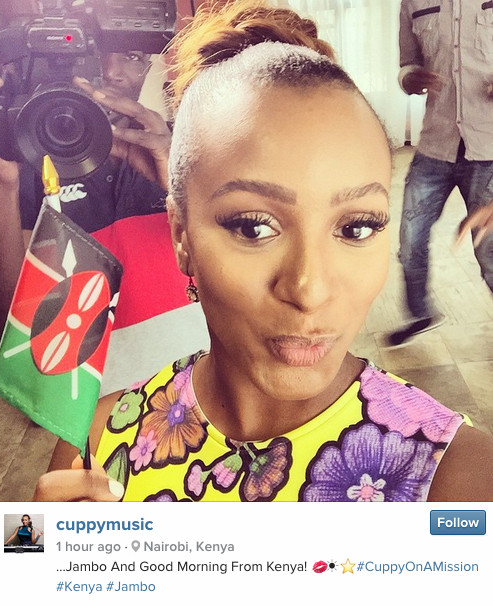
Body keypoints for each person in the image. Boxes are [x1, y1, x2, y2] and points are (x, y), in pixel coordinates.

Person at [33, 1, 493, 503]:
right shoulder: (95, 448)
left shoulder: (459, 480)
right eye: (254, 227)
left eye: (357, 227)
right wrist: (41, 549)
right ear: (181, 236)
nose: (309, 290)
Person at [0, 49, 209, 394]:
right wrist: (1, 191)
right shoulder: (27, 158)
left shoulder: (183, 146)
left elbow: (241, 276)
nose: (111, 71)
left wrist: (185, 190)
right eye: (92, 54)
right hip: (75, 397)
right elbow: (11, 328)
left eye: (132, 56)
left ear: (150, 63)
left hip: (190, 389)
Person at [387, 0, 493, 347]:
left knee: (489, 250)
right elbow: (407, 64)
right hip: (436, 144)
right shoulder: (413, 3)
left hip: (489, 148)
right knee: (410, 238)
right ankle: (420, 313)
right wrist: (410, 79)